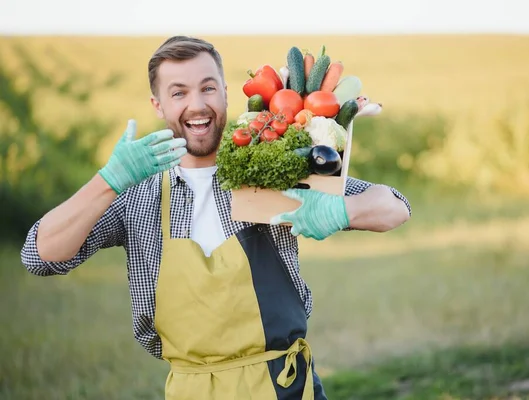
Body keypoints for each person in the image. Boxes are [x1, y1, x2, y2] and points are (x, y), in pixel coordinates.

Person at [20, 35, 411, 400]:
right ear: (158, 104)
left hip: (283, 387)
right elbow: (40, 257)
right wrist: (108, 181)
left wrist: (342, 210)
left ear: (226, 93)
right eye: (178, 93)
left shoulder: (270, 165)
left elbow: (395, 206)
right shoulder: (136, 196)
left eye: (208, 87)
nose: (197, 105)